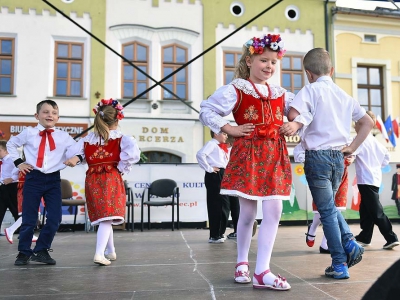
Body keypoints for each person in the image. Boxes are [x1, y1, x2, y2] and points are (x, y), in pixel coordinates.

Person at [199, 33, 292, 290]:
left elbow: (304, 112)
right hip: (248, 153)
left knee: (274, 210)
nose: (269, 66)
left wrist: (295, 123)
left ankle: (262, 269)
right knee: (248, 212)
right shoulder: (236, 89)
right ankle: (242, 261)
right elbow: (206, 109)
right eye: (264, 60)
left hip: (274, 154)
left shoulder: (282, 94)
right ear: (249, 60)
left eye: (273, 62)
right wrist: (228, 127)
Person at [281, 48, 374, 279]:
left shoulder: (310, 90)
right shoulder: (345, 96)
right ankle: (349, 244)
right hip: (339, 158)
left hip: (317, 158)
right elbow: (367, 123)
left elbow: (292, 116)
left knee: (327, 211)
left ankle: (340, 262)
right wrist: (352, 147)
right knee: (330, 208)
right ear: (331, 70)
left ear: (308, 74)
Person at [7, 100, 83, 266]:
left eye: (54, 113)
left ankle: (41, 249)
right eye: (46, 112)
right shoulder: (28, 133)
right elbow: (11, 144)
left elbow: (80, 149)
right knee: (29, 218)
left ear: (58, 117)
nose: (50, 115)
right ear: (37, 115)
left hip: (53, 180)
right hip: (33, 178)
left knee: (55, 218)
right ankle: (23, 252)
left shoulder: (63, 137)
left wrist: (77, 158)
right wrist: (19, 162)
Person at [65, 98, 140, 266]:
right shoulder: (121, 139)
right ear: (117, 119)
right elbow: (132, 156)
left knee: (106, 216)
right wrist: (119, 168)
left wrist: (77, 158)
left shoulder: (87, 140)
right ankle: (99, 253)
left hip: (92, 178)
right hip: (110, 178)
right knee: (107, 217)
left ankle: (110, 251)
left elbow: (78, 154)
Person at [294, 144, 355, 254]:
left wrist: (351, 157)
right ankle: (312, 228)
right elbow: (299, 151)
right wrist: (312, 160)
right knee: (324, 207)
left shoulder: (343, 135)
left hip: (340, 172)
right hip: (321, 169)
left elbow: (353, 150)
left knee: (337, 207)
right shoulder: (314, 134)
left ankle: (325, 244)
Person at [353, 111, 399, 250]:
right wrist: (374, 166)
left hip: (366, 179)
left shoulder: (359, 140)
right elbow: (385, 159)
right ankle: (365, 237)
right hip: (374, 178)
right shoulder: (376, 142)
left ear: (362, 124)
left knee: (375, 211)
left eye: (356, 122)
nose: (354, 125)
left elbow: (350, 153)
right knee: (366, 209)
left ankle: (391, 237)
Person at [196, 131, 230, 243]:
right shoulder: (212, 144)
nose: (226, 136)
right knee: (216, 204)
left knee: (224, 204)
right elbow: (200, 154)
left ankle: (219, 232)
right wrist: (209, 168)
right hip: (215, 175)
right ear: (216, 134)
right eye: (224, 134)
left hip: (223, 174)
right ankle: (215, 234)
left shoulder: (221, 147)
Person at [4, 169, 40, 244]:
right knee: (28, 213)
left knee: (32, 213)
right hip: (27, 189)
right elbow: (15, 172)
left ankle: (28, 233)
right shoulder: (23, 165)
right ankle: (12, 230)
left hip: (34, 188)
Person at [0, 140, 19, 233]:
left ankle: (22, 231)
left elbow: (19, 171)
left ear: (6, 150)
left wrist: (11, 179)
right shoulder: (1, 161)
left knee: (15, 209)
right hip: (2, 187)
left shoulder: (12, 159)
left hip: (11, 187)